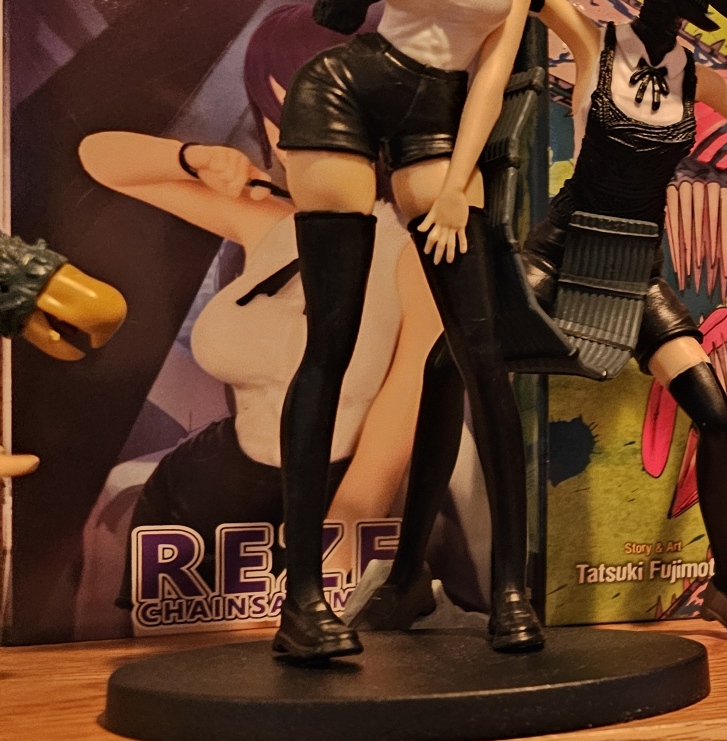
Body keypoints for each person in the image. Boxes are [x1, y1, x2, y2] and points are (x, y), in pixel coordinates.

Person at [360, 0, 727, 643]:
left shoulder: (697, 80)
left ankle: (726, 586)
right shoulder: (593, 41)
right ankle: (406, 578)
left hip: (636, 271)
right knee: (444, 365)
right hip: (560, 253)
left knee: (714, 413)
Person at [76, 4, 452, 616]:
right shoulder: (267, 219)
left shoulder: (417, 248)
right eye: (280, 115)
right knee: (153, 640)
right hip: (197, 495)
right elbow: (99, 158)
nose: (296, 139)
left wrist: (338, 544)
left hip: (333, 502)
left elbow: (403, 405)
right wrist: (192, 158)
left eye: (325, 113)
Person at [273, 0, 535, 661]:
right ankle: (301, 601)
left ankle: (511, 592)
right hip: (342, 92)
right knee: (330, 345)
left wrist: (455, 188)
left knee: (483, 356)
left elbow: (492, 74)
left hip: (440, 117)